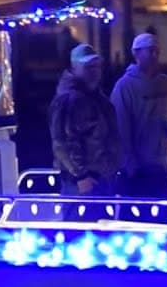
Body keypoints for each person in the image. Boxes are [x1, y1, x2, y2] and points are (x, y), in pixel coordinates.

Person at [111, 32, 167, 198]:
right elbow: (120, 128)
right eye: (150, 51)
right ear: (136, 54)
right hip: (138, 168)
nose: (155, 55)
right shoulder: (124, 87)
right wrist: (131, 164)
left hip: (163, 165)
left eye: (157, 51)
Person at [49, 43, 121, 197]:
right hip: (84, 181)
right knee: (81, 219)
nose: (95, 71)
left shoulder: (95, 96)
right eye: (88, 67)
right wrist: (80, 176)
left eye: (96, 66)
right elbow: (63, 141)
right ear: (75, 68)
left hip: (101, 176)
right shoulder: (71, 99)